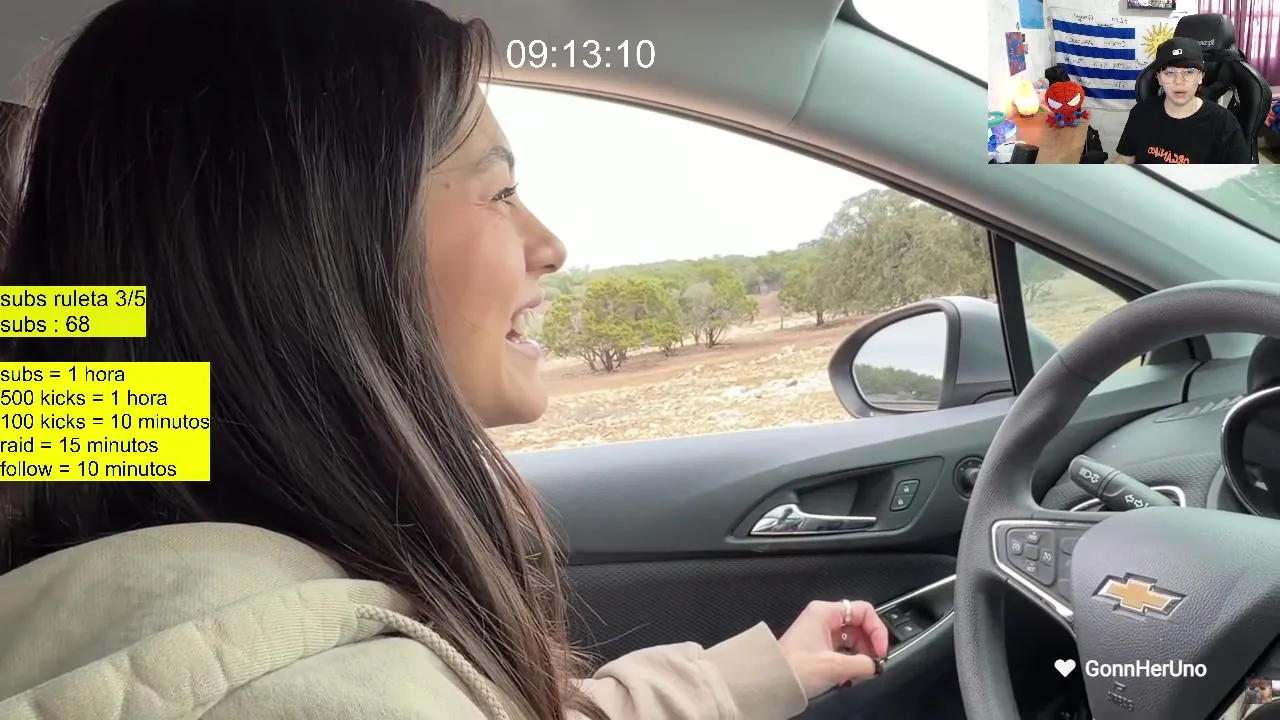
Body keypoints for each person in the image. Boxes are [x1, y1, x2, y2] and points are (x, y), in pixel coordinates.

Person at [0, 0, 891, 718]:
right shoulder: (305, 683)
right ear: (310, 252)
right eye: (501, 191)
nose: (550, 245)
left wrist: (764, 673)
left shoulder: (226, 615)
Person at [1110, 37, 1252, 165]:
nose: (1179, 81)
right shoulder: (1141, 113)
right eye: (1170, 73)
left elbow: (1240, 178)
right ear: (1159, 78)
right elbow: (1124, 159)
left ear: (1200, 77)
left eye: (1189, 72)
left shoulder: (1223, 122)